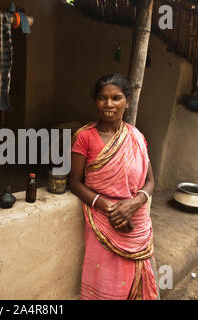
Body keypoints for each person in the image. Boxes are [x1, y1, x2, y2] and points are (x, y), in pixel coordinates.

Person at [70, 73, 158, 300]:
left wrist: (135, 203)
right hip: (103, 222)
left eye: (116, 98)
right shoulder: (85, 137)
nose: (108, 104)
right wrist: (110, 208)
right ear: (95, 101)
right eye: (102, 98)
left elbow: (150, 181)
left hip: (136, 222)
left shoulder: (137, 137)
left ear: (127, 101)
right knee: (106, 286)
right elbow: (74, 182)